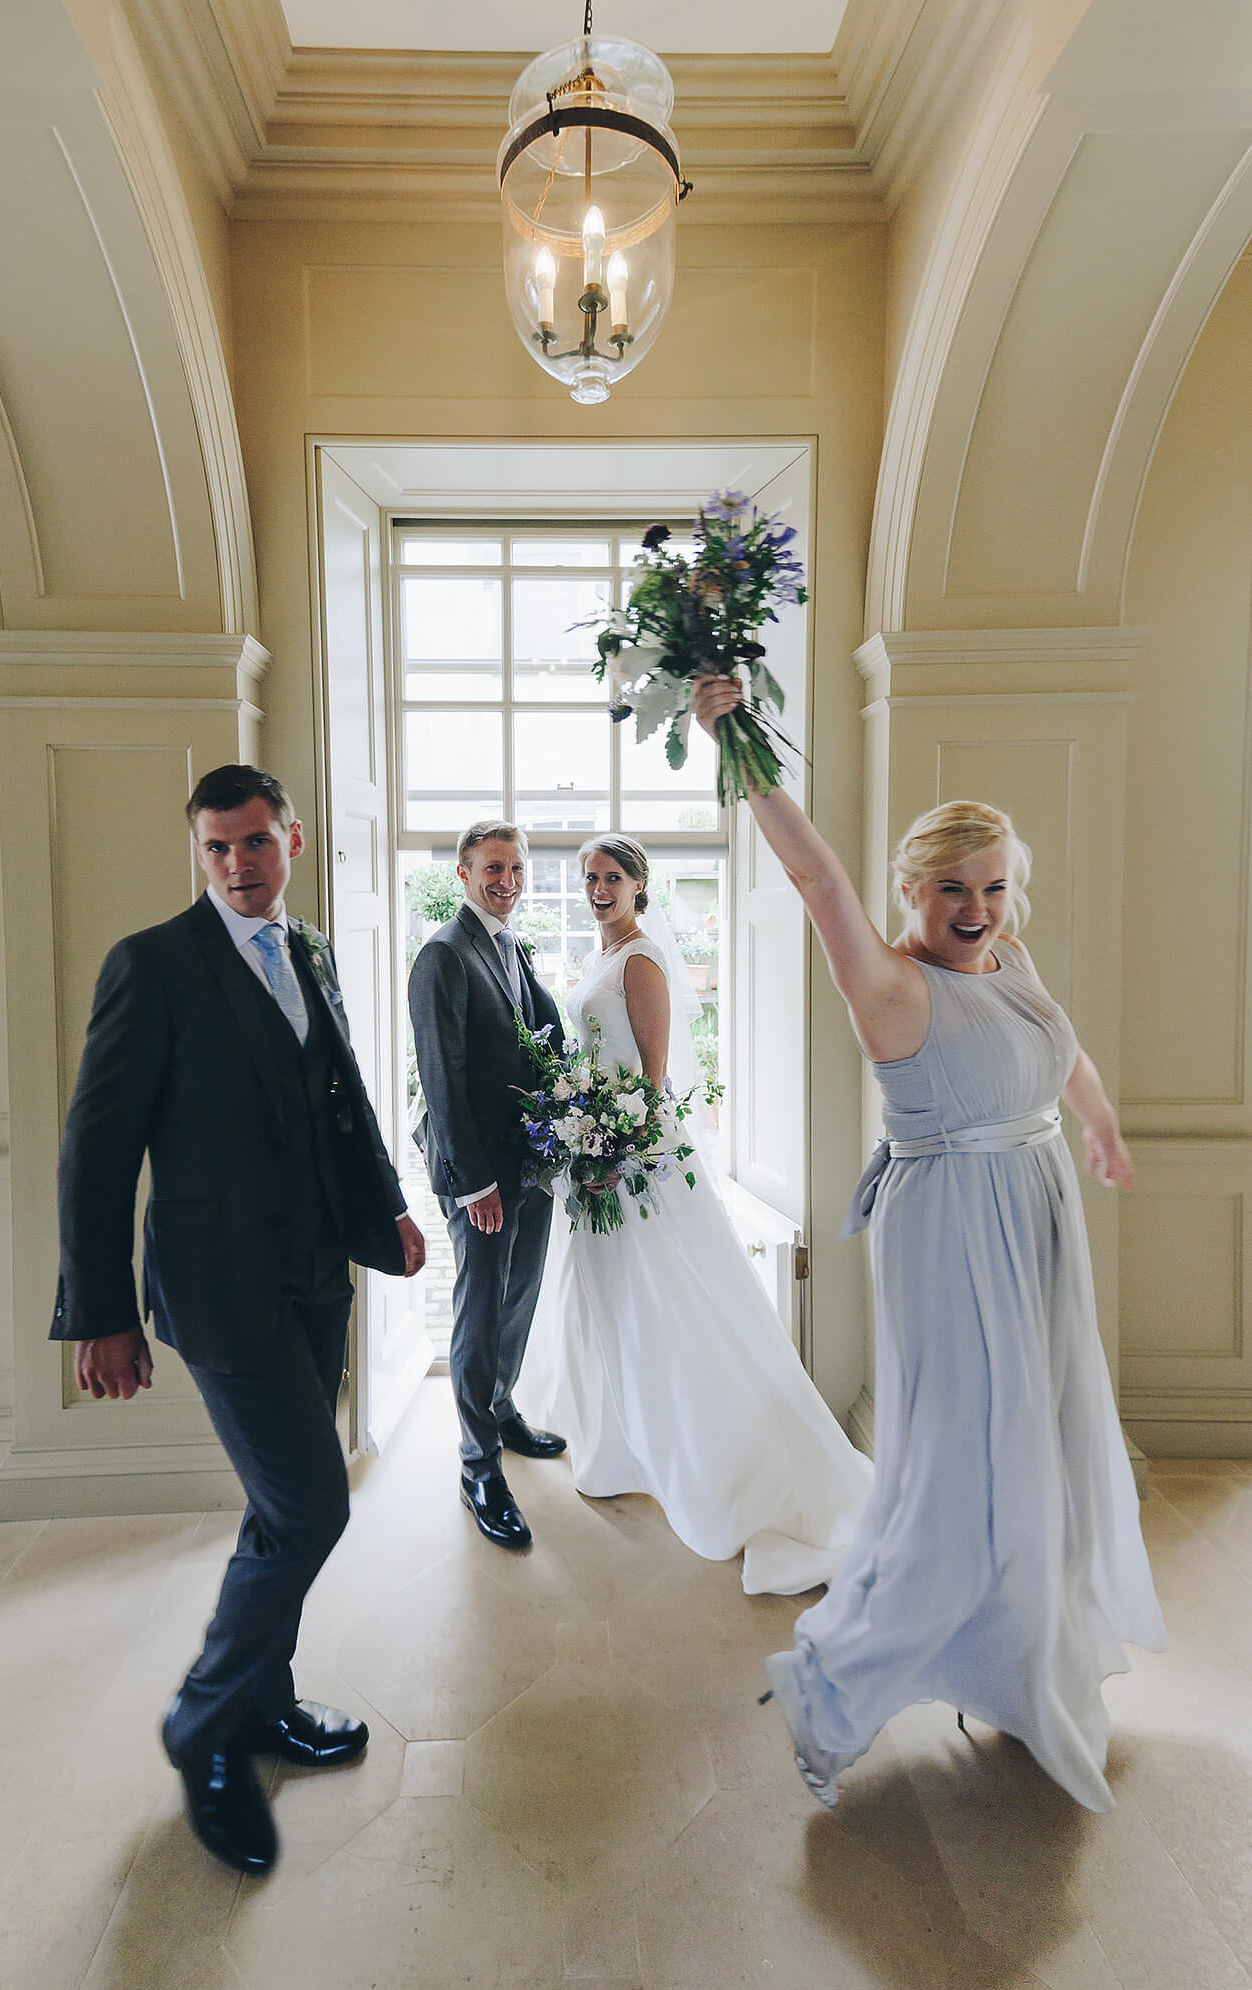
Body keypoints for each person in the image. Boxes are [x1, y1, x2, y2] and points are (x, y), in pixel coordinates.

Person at [692, 674, 1166, 1812]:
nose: (976, 905)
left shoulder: (1005, 959)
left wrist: (1095, 1124)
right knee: (965, 1468)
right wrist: (734, 735)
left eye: (993, 886)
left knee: (1038, 1449)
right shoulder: (889, 982)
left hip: (1035, 1210)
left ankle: (1013, 1661)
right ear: (911, 888)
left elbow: (1059, 1047)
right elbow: (813, 875)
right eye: (952, 886)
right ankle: (837, 1684)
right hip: (950, 1223)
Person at [51, 764, 424, 1876]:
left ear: (290, 839)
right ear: (199, 851)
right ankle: (204, 1722)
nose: (237, 865)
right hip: (218, 1289)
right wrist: (100, 1313)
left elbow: (340, 1095)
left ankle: (261, 1704)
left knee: (278, 1508)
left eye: (255, 842)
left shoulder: (306, 950)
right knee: (311, 1505)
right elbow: (96, 1150)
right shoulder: (152, 965)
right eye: (216, 848)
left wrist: (386, 1209)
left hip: (314, 1275)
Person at [518, 834, 873, 1596]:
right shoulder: (599, 960)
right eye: (588, 878)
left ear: (639, 886)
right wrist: (579, 1126)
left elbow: (650, 1076)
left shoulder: (641, 960)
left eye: (612, 877)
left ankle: (710, 1453)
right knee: (607, 1299)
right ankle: (617, 1444)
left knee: (664, 1300)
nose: (597, 888)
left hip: (634, 1158)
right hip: (595, 1154)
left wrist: (614, 1144)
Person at [408, 820, 568, 1551]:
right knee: (479, 1310)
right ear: (464, 876)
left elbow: (537, 1039)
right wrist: (473, 1186)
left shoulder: (510, 944)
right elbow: (441, 1078)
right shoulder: (442, 955)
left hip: (530, 1159)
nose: (507, 881)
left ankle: (501, 1409)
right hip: (478, 1172)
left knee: (519, 1296)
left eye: (516, 869)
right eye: (493, 869)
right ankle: (478, 1466)